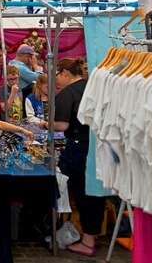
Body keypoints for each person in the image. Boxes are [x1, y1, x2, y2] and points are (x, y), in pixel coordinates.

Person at [53, 59, 105, 258]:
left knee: (83, 194)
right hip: (97, 146)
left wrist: (45, 124)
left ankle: (88, 240)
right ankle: (92, 234)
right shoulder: (93, 87)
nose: (56, 79)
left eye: (57, 74)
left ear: (65, 72)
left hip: (79, 149)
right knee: (95, 193)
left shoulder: (68, 93)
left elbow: (62, 125)